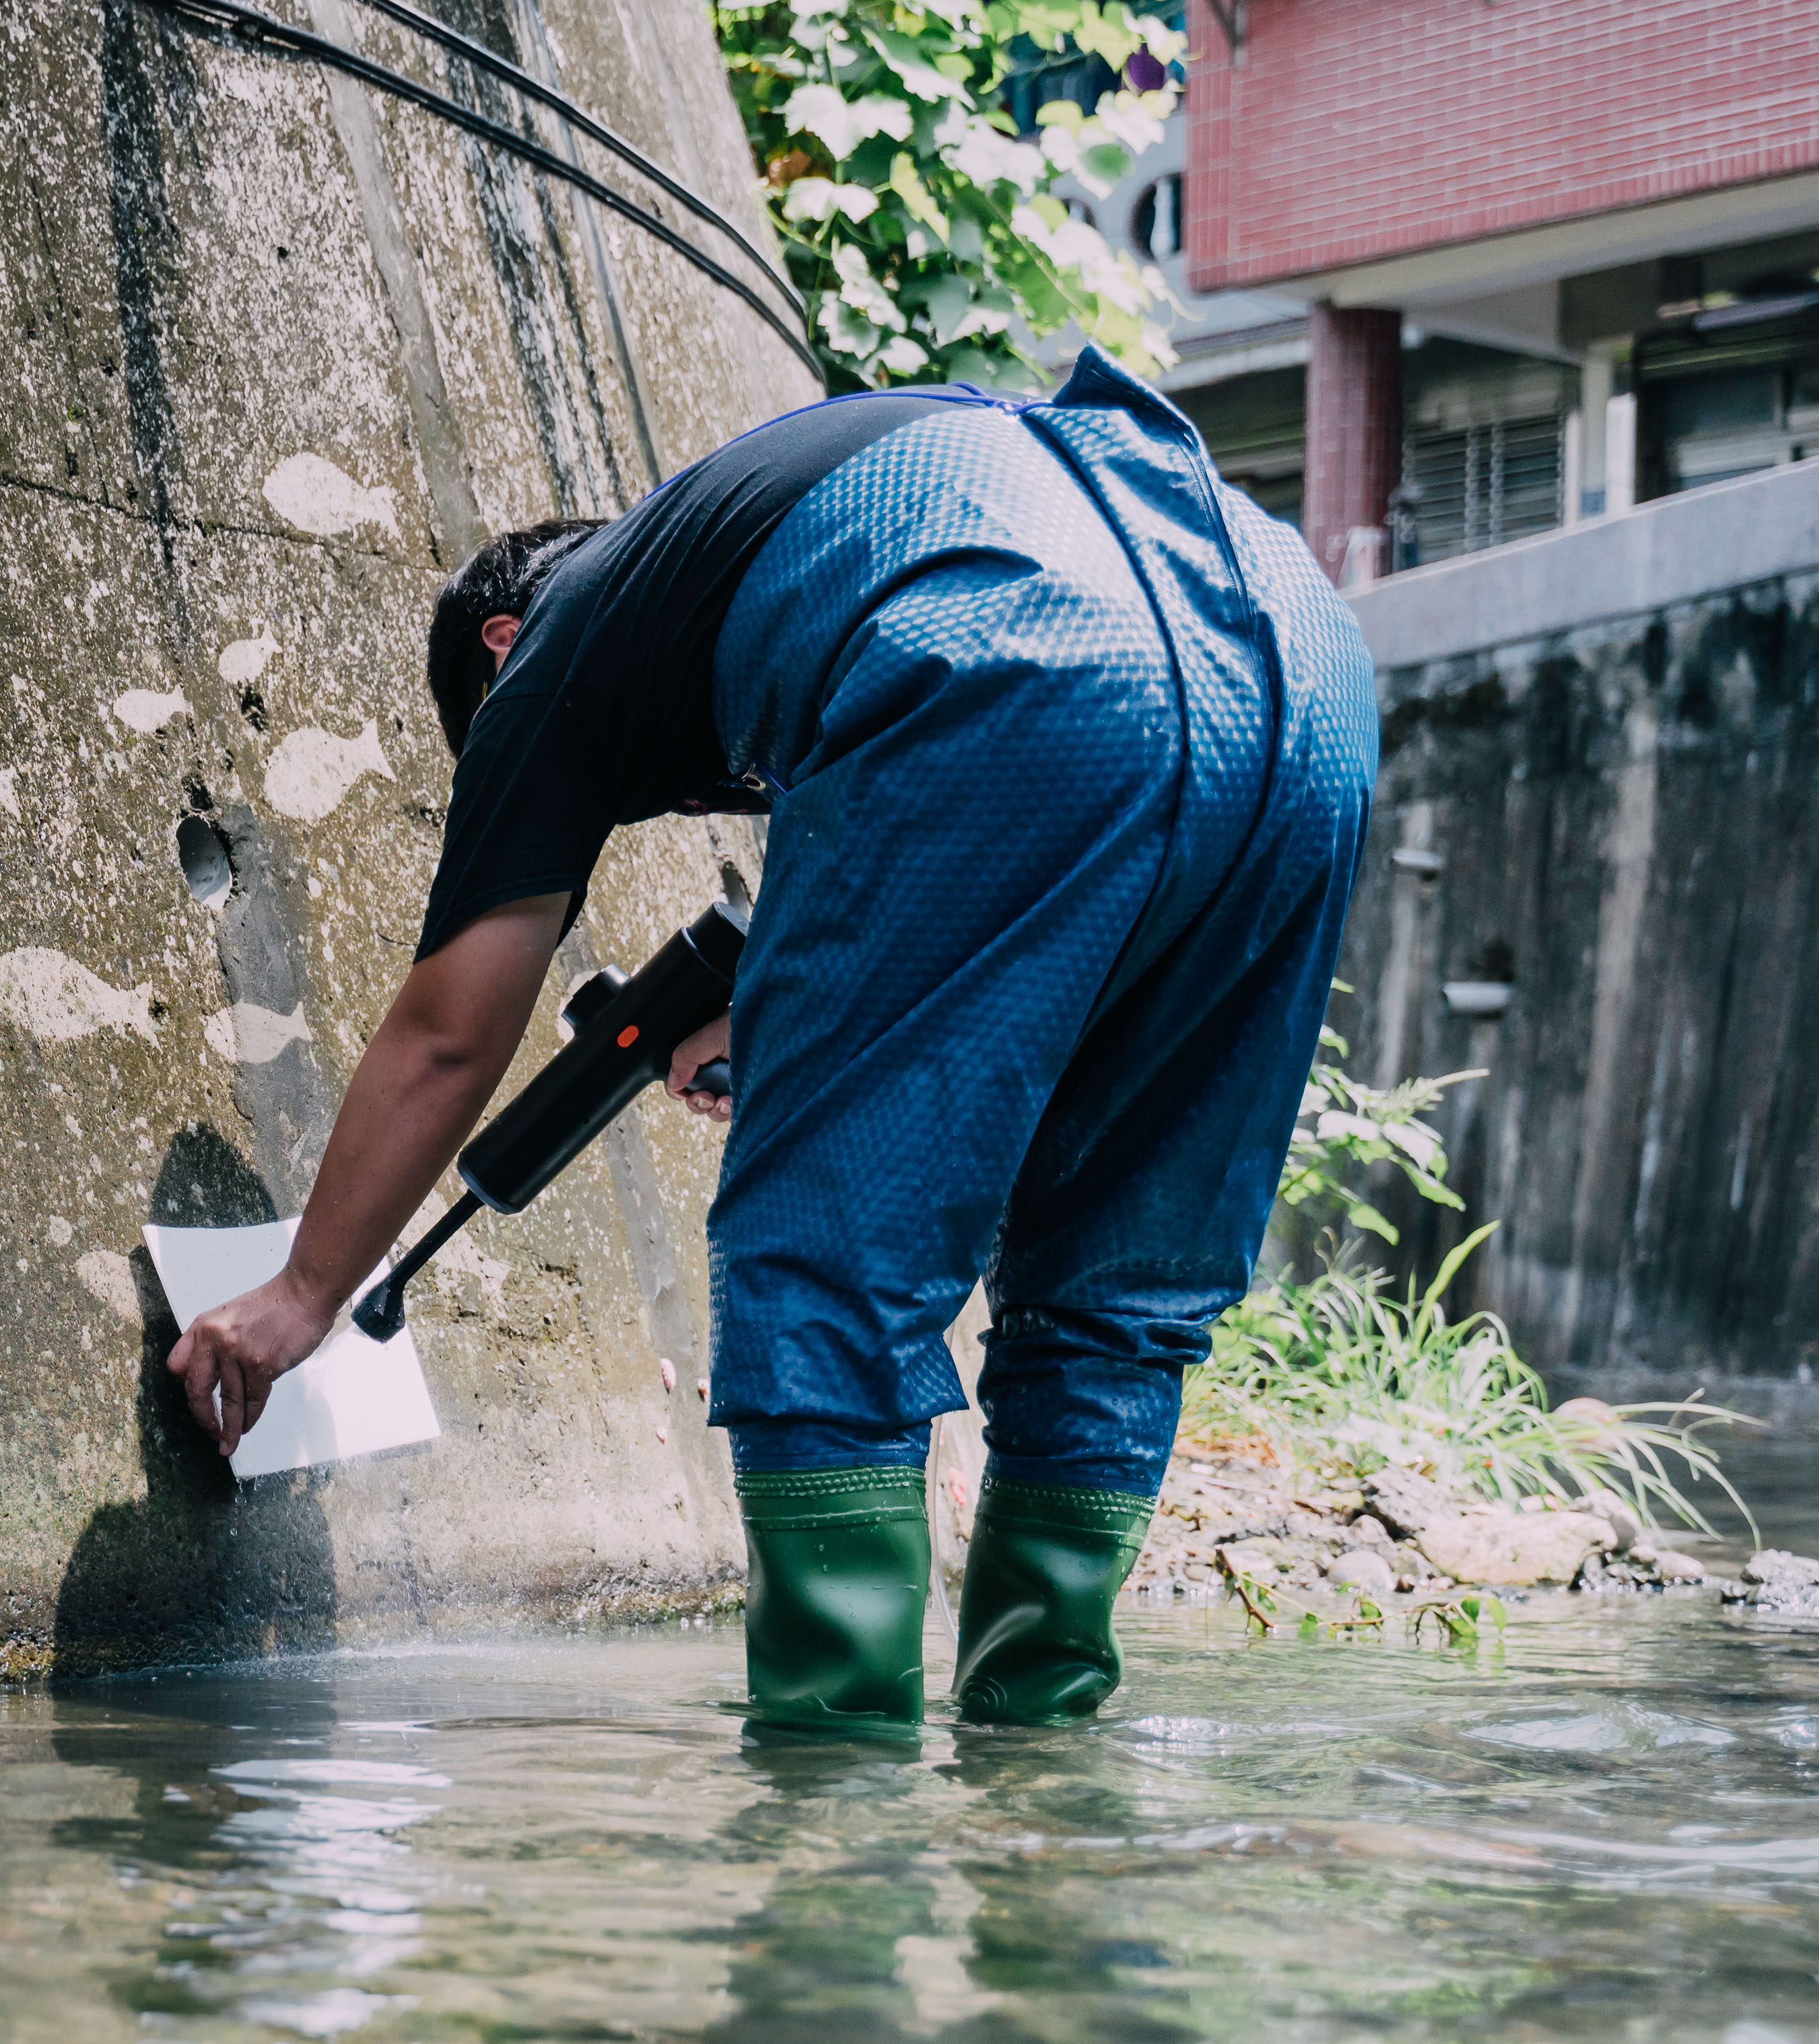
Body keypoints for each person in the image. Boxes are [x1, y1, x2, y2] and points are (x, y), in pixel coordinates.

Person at [166, 349, 1373, 1742]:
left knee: (821, 1258)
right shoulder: (775, 534)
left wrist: (305, 1290)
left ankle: (832, 1815)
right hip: (1295, 657)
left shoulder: (555, 638)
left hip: (1008, 631)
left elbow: (451, 1028)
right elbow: (1031, 907)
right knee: (1112, 1288)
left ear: (498, 653)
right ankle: (1045, 1789)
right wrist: (789, 1026)